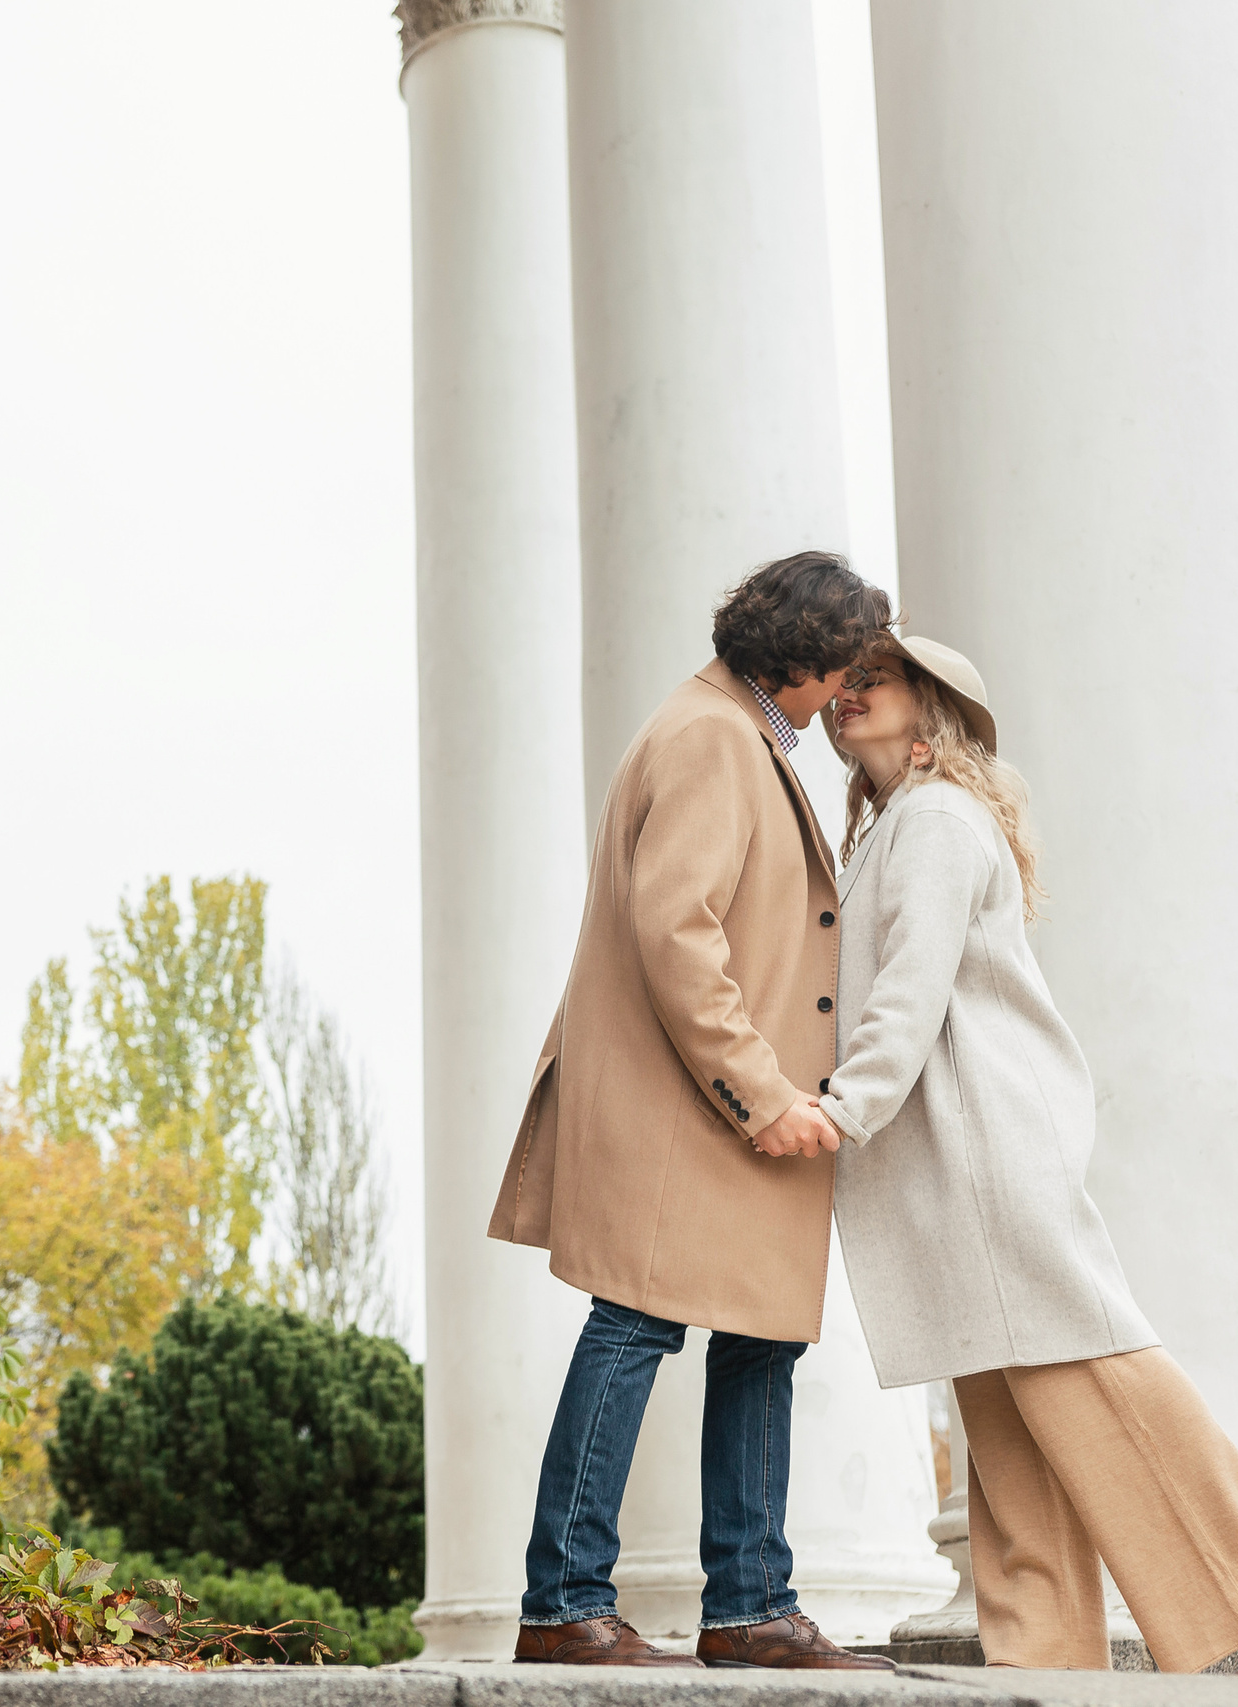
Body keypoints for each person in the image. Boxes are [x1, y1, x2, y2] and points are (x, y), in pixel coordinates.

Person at [807, 634, 1238, 1676]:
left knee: (1089, 1365)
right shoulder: (891, 828)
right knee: (1007, 1425)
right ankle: (1046, 1662)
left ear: (931, 715)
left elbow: (911, 987)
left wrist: (844, 1108)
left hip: (980, 1140)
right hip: (950, 1148)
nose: (849, 694)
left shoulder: (929, 820)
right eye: (845, 681)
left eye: (877, 679)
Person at [487, 551, 897, 1670]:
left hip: (722, 1110)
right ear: (805, 660)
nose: (848, 691)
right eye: (845, 668)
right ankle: (563, 1603)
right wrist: (762, 1094)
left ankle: (751, 1606)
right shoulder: (714, 737)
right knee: (634, 1323)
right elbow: (679, 936)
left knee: (759, 1338)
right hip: (697, 1106)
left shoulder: (732, 729)